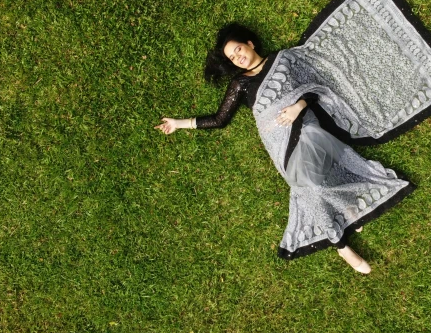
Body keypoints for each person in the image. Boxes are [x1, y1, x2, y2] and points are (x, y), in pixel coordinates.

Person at [157, 24, 397, 273]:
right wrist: (178, 124)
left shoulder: (285, 60)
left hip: (306, 128)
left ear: (250, 44)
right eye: (231, 57)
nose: (237, 57)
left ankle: (341, 244)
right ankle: (346, 211)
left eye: (238, 49)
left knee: (309, 186)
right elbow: (220, 119)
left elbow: (314, 88)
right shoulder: (240, 84)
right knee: (311, 183)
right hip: (279, 147)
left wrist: (298, 107)